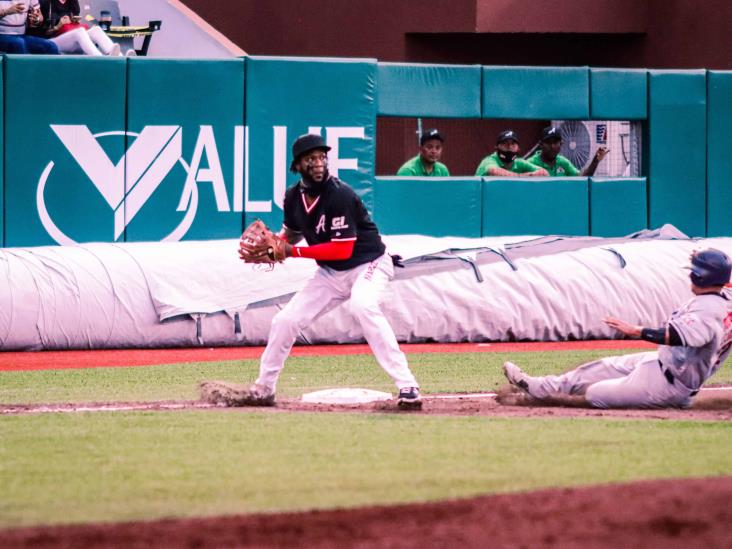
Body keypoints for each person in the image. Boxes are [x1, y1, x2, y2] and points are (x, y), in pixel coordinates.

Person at [237, 134, 423, 410]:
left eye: (322, 157)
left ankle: (407, 385)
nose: (319, 163)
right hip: (330, 274)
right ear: (297, 165)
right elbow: (293, 233)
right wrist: (278, 244)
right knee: (285, 321)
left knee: (363, 305)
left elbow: (342, 250)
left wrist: (291, 252)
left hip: (368, 263)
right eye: (311, 158)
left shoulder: (340, 195)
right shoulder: (293, 197)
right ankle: (264, 388)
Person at [501, 248, 732, 409]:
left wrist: (637, 331)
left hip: (669, 386)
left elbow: (678, 336)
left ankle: (541, 402)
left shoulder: (708, 311)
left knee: (596, 393)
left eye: (693, 271)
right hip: (661, 362)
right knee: (594, 370)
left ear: (699, 278)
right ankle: (536, 387)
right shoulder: (724, 295)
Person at [35, 0, 121, 56]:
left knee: (96, 30)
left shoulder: (73, 2)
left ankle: (123, 59)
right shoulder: (45, 2)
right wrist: (58, 26)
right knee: (79, 31)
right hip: (50, 42)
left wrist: (74, 21)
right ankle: (101, 60)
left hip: (69, 39)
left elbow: (72, 25)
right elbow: (38, 33)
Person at [527, 126, 609, 177]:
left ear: (561, 143)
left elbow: (582, 179)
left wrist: (595, 161)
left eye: (555, 143)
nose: (552, 146)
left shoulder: (563, 162)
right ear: (541, 145)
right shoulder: (530, 163)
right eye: (548, 143)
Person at [475, 130, 548, 177]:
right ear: (497, 148)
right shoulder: (489, 160)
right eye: (505, 144)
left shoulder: (519, 163)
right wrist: (521, 176)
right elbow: (493, 171)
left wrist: (531, 175)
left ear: (518, 148)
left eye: (513, 144)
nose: (509, 147)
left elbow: (544, 173)